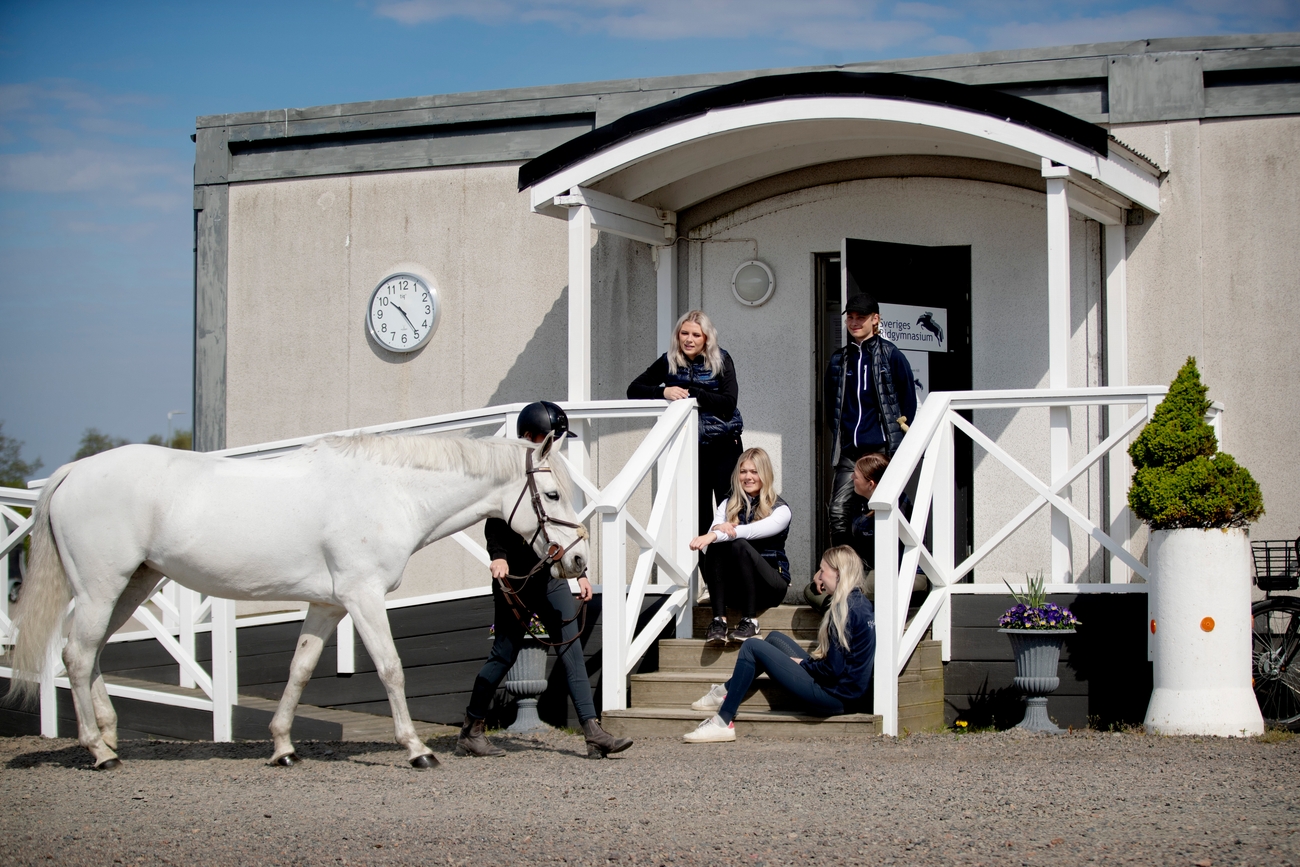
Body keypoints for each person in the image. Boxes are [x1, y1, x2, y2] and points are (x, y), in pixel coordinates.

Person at [458, 401, 633, 760]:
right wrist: (498, 556)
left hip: (550, 575)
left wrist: (579, 574)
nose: (554, 445)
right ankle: (471, 729)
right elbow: (494, 522)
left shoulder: (550, 471)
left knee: (571, 648)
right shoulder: (510, 473)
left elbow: (560, 525)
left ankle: (593, 733)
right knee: (503, 655)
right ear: (528, 436)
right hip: (516, 581)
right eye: (548, 438)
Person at [683, 546, 876, 743]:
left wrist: (804, 664)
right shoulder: (860, 604)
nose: (819, 577)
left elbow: (832, 669)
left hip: (832, 697)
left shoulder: (843, 611)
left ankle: (723, 721)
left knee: (751, 646)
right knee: (774, 638)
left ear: (838, 573)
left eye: (822, 571)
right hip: (846, 694)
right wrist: (805, 664)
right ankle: (724, 691)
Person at [628, 310, 743, 536]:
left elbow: (729, 402)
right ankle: (703, 560)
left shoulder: (721, 359)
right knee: (697, 514)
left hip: (724, 445)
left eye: (696, 335)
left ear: (706, 338)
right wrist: (664, 392)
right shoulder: (669, 360)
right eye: (684, 333)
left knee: (729, 510)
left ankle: (728, 559)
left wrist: (696, 394)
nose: (689, 340)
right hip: (690, 447)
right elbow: (633, 389)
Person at [824, 292, 916, 552]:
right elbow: (832, 407)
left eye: (861, 317)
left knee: (884, 510)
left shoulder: (891, 354)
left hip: (880, 450)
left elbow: (907, 403)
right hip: (850, 451)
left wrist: (892, 441)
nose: (854, 322)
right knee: (838, 511)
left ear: (875, 319)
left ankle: (897, 566)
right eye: (850, 318)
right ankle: (845, 571)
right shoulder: (839, 359)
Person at [690, 448, 791, 645]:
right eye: (743, 471)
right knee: (717, 546)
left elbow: (751, 531)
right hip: (737, 590)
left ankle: (751, 621)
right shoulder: (727, 504)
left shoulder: (781, 509)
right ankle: (719, 621)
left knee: (739, 545)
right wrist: (716, 531)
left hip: (770, 587)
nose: (748, 477)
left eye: (754, 472)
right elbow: (710, 543)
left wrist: (717, 533)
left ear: (765, 474)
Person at [805, 452, 891, 612]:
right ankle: (850, 613)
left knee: (845, 589)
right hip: (865, 571)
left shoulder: (895, 509)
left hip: (893, 572)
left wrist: (842, 576)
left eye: (856, 476)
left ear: (870, 484)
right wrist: (827, 571)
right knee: (813, 591)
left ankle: (860, 619)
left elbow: (890, 559)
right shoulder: (861, 504)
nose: (851, 478)